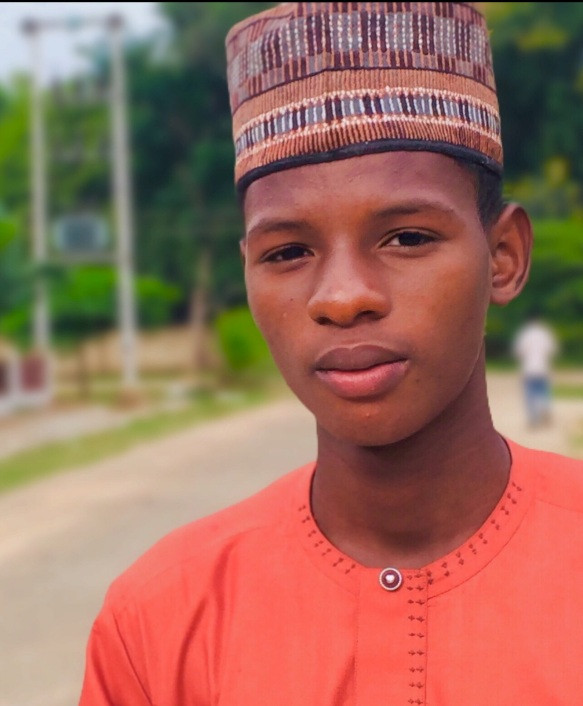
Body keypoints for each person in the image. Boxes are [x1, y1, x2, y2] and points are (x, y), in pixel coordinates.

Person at [79, 3, 583, 704]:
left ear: (503, 256)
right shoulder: (160, 621)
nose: (343, 298)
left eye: (407, 238)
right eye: (287, 252)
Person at [513, 316, 559, 427]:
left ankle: (533, 418)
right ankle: (545, 409)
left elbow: (519, 352)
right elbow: (552, 350)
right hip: (543, 368)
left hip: (528, 369)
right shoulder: (545, 333)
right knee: (543, 392)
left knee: (530, 395)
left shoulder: (525, 334)